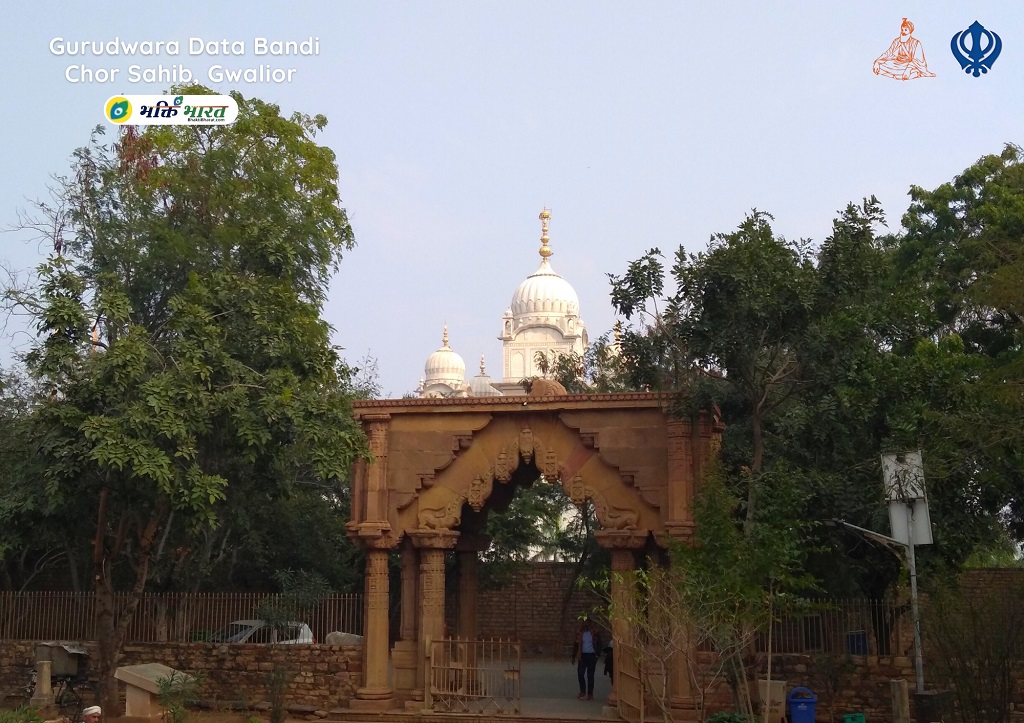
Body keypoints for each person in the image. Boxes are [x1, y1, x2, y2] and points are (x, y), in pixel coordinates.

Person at [571, 618, 601, 700]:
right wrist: (573, 656)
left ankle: (590, 693)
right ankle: (582, 691)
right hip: (582, 656)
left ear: (590, 623)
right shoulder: (580, 633)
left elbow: (599, 643)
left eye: (587, 623)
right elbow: (576, 645)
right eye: (584, 623)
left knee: (590, 675)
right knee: (580, 674)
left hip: (591, 655)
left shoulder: (595, 633)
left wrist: (597, 654)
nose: (586, 624)